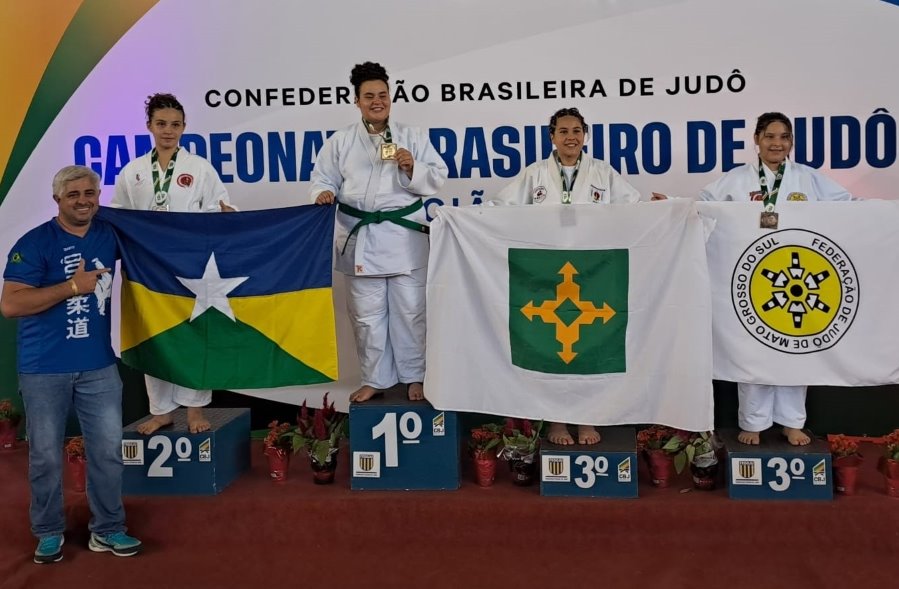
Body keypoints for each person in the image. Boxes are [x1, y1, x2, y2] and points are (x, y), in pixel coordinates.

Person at [1, 165, 142, 563]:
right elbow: (11, 304)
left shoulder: (108, 233)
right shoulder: (35, 242)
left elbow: (159, 240)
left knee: (108, 452)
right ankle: (47, 531)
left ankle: (109, 529)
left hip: (98, 365)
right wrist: (71, 287)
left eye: (90, 193)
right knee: (45, 454)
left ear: (98, 196)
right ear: (57, 200)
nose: (83, 200)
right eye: (73, 195)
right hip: (44, 368)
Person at [699, 111, 852, 446]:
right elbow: (703, 206)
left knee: (793, 345)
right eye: (769, 136)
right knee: (753, 345)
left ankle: (792, 421)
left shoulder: (808, 179)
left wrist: (879, 215)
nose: (777, 143)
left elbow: (849, 208)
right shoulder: (737, 180)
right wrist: (675, 207)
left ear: (791, 142)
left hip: (797, 275)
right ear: (756, 140)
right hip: (752, 276)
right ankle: (753, 421)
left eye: (784, 137)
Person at [495, 107, 644, 446]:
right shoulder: (534, 175)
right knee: (553, 349)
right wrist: (463, 218)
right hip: (548, 275)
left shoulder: (603, 173)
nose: (570, 137)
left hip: (594, 272)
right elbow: (501, 210)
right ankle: (557, 421)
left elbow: (634, 208)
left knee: (589, 348)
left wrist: (665, 210)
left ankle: (587, 417)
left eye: (576, 130)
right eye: (563, 131)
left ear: (585, 135)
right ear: (552, 137)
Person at [311, 62, 448, 403]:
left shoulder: (413, 136)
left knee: (411, 311)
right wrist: (323, 194)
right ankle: (375, 378)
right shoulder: (340, 141)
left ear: (391, 97)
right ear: (356, 100)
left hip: (404, 238)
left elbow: (438, 176)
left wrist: (413, 166)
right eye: (368, 96)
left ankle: (416, 377)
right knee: (367, 317)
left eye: (382, 95)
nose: (377, 101)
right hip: (360, 239)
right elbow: (322, 179)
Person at [112, 93, 236, 434]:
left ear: (184, 127)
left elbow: (220, 209)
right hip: (147, 269)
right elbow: (119, 218)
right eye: (162, 124)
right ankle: (161, 409)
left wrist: (229, 216)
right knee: (156, 337)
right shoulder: (132, 171)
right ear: (149, 126)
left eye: (176, 125)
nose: (169, 131)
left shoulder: (200, 168)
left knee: (194, 335)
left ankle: (195, 409)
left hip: (190, 265)